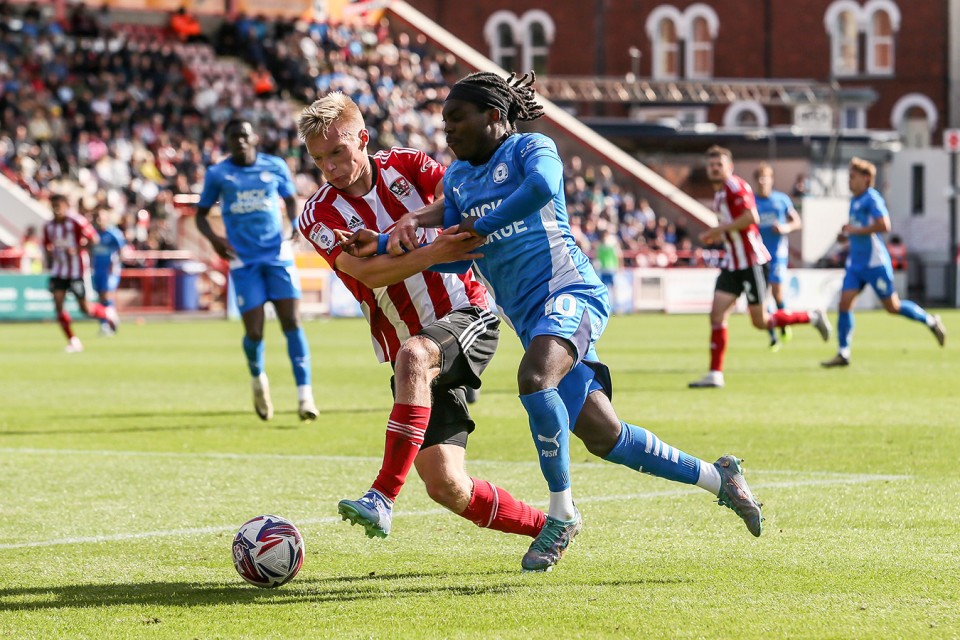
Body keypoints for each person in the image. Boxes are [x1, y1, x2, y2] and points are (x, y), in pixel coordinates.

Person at [373, 71, 765, 573]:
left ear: (494, 116)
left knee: (535, 379)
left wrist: (477, 224)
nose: (446, 129)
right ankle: (720, 477)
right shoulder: (457, 181)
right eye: (443, 120)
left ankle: (561, 514)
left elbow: (541, 188)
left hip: (570, 292)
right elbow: (457, 255)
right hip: (531, 319)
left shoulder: (530, 148)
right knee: (605, 436)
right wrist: (393, 244)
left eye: (457, 118)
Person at [295, 92, 547, 554]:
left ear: (363, 139)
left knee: (414, 354)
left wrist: (413, 234)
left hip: (464, 313)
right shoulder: (319, 214)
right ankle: (548, 527)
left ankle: (382, 495)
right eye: (318, 159)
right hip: (408, 344)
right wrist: (432, 251)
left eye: (337, 152)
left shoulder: (409, 166)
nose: (329, 167)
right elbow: (368, 275)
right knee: (445, 484)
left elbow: (458, 202)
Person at [196, 118, 318, 422]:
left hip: (278, 255)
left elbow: (290, 199)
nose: (238, 140)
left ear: (255, 139)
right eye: (232, 136)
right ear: (225, 141)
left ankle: (305, 396)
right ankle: (258, 378)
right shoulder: (218, 173)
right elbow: (199, 215)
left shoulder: (274, 166)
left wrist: (293, 225)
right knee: (254, 330)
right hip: (243, 260)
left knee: (292, 322)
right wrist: (214, 239)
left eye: (243, 135)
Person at [688, 147, 832, 389]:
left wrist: (718, 231)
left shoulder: (736, 187)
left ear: (729, 167)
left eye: (718, 164)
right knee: (717, 314)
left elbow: (751, 217)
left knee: (760, 321)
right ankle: (715, 373)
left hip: (751, 261)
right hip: (732, 263)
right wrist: (720, 236)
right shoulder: (720, 194)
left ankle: (812, 316)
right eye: (711, 164)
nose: (714, 168)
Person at [821, 158, 945, 367]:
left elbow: (884, 225)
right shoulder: (854, 201)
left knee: (892, 307)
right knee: (844, 303)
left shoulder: (872, 198)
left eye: (852, 177)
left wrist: (856, 231)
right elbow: (858, 229)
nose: (849, 181)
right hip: (856, 263)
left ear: (866, 178)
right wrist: (846, 235)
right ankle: (843, 353)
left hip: (874, 263)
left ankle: (931, 321)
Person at [42, 194, 116, 352]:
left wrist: (78, 249)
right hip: (59, 270)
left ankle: (107, 314)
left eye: (59, 206)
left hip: (77, 271)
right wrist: (50, 256)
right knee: (58, 305)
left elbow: (94, 239)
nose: (56, 210)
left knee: (85, 309)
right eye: (53, 206)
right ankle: (73, 341)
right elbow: (47, 245)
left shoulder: (76, 221)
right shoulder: (49, 226)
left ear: (66, 206)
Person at [754, 163, 802, 349]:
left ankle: (784, 324)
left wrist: (785, 228)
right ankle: (772, 335)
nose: (762, 181)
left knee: (777, 293)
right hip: (759, 255)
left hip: (778, 254)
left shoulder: (781, 200)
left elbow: (797, 221)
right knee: (762, 297)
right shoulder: (752, 202)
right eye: (759, 177)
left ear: (772, 180)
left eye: (765, 177)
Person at [90, 209, 126, 336]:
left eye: (101, 217)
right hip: (97, 269)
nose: (99, 221)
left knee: (106, 295)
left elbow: (123, 250)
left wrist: (115, 264)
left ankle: (111, 321)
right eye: (97, 218)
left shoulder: (113, 234)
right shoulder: (93, 234)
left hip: (109, 270)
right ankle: (105, 324)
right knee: (101, 297)